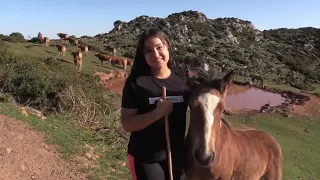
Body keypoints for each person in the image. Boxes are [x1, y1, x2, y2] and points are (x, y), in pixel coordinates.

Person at [120, 28, 190, 180]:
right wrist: (157, 113)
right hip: (145, 157)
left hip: (175, 155)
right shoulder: (136, 83)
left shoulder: (183, 80)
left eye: (159, 47)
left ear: (168, 47)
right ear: (143, 55)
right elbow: (127, 124)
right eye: (148, 51)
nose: (156, 54)